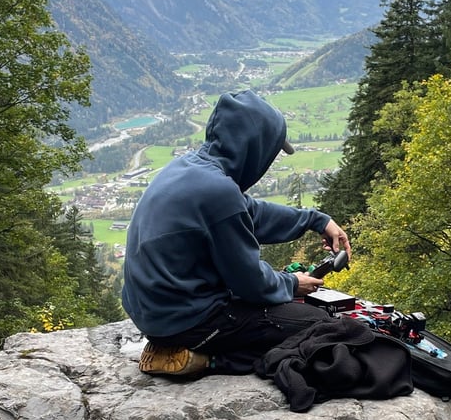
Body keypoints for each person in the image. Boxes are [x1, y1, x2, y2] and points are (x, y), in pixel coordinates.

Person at [122, 89, 351, 377]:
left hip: (153, 315)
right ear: (255, 148)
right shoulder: (219, 192)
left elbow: (250, 212)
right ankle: (206, 360)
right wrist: (293, 283)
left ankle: (175, 347)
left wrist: (316, 220)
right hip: (188, 321)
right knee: (321, 324)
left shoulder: (190, 168)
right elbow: (250, 282)